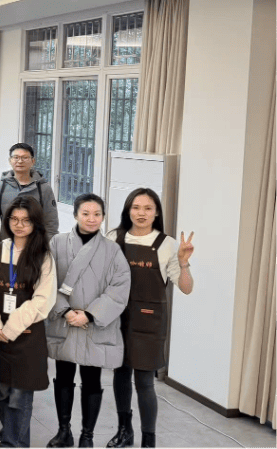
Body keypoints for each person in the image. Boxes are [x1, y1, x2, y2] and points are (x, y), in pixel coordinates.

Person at [105, 189, 194, 449]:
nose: (141, 213)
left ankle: (148, 440)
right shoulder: (114, 237)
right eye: (136, 207)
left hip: (149, 322)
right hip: (117, 318)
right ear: (128, 210)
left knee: (144, 382)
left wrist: (184, 263)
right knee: (121, 374)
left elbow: (186, 288)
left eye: (147, 208)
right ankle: (124, 431)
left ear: (156, 213)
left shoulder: (167, 244)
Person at [46, 194, 130, 449]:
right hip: (65, 321)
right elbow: (46, 279)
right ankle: (64, 431)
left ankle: (87, 436)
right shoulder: (58, 242)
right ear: (75, 215)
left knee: (92, 379)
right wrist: (65, 310)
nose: (91, 219)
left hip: (93, 324)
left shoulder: (112, 250)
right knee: (63, 377)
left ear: (103, 217)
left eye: (97, 214)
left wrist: (90, 314)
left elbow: (119, 286)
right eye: (85, 213)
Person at [0, 197, 57, 449]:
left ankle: (12, 443)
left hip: (27, 336)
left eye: (26, 220)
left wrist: (11, 328)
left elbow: (42, 300)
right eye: (14, 219)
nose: (19, 225)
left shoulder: (43, 256)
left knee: (19, 396)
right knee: (4, 393)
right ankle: (10, 436)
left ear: (35, 223)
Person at [0, 143, 59, 235]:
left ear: (33, 161)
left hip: (34, 241)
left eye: (25, 157)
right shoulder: (0, 187)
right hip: (6, 241)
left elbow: (51, 222)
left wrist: (48, 242)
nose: (20, 161)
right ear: (10, 161)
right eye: (16, 157)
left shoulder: (43, 188)